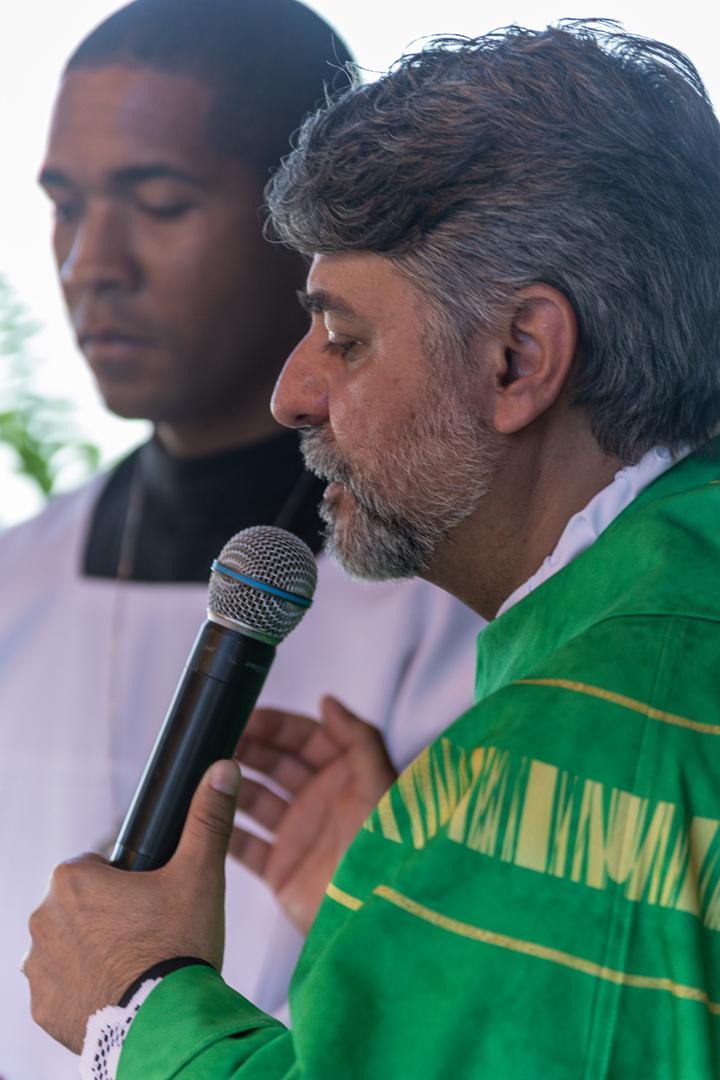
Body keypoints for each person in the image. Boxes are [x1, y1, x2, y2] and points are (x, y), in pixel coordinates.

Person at [26, 19, 720, 1078]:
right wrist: (418, 918)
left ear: (517, 358)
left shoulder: (584, 737)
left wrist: (139, 1001)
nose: (293, 393)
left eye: (343, 339)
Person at [0, 3, 483, 1077]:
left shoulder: (453, 598)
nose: (90, 262)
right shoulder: (14, 579)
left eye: (159, 203)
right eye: (65, 206)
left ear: (310, 226)